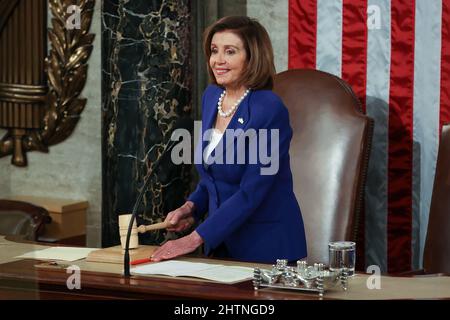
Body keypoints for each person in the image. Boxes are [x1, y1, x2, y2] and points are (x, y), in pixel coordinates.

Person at [151, 16, 307, 264]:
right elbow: (213, 177)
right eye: (214, 51)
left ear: (252, 57)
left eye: (230, 51)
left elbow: (252, 192)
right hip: (220, 245)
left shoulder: (269, 108)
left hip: (265, 248)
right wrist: (191, 208)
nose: (218, 60)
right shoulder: (212, 96)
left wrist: (193, 239)